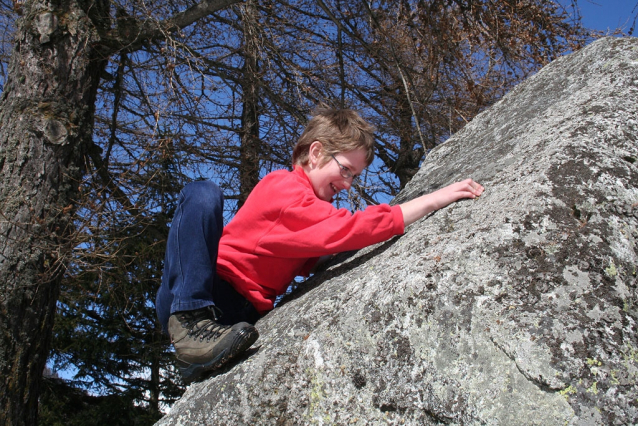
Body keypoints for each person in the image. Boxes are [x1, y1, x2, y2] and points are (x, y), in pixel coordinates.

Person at [156, 106, 484, 384]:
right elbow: (347, 229)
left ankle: (198, 353)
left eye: (354, 176)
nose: (347, 184)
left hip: (238, 312)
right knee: (203, 192)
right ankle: (189, 321)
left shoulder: (307, 208)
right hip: (211, 292)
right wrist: (432, 200)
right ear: (315, 153)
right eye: (344, 170)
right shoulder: (283, 188)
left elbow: (320, 251)